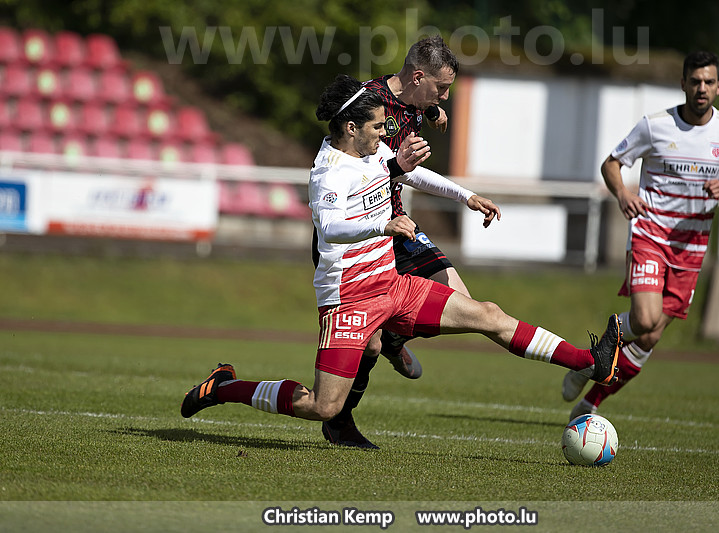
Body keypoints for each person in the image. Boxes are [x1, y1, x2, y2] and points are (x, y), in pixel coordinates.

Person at [181, 75, 622, 444]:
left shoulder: (371, 152)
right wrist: (383, 225)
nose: (382, 133)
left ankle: (589, 360)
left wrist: (466, 196)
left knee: (488, 314)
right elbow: (330, 228)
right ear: (351, 127)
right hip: (349, 299)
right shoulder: (328, 171)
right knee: (322, 405)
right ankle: (225, 386)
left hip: (392, 285)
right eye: (376, 126)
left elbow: (410, 172)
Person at [561, 51, 719, 421]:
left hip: (691, 248)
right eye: (694, 81)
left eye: (708, 82)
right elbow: (611, 164)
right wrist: (622, 193)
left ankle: (590, 397)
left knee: (648, 338)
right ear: (683, 84)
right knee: (645, 320)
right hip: (650, 234)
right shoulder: (656, 126)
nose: (701, 88)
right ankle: (602, 346)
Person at [321, 36, 470, 448]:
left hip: (399, 224)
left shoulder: (418, 100)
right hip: (365, 229)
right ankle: (339, 421)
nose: (445, 97)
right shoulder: (369, 104)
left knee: (460, 303)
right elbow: (375, 166)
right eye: (442, 88)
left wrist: (433, 109)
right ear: (418, 77)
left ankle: (394, 337)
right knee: (366, 347)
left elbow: (417, 112)